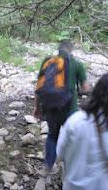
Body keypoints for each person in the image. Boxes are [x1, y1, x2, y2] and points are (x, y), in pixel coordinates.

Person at [33, 40, 89, 172]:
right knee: (73, 137)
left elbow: (39, 87)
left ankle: (49, 165)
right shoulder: (77, 64)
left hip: (50, 107)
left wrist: (36, 107)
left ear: (58, 49)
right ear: (71, 50)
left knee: (52, 135)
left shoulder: (48, 62)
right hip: (70, 109)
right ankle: (71, 167)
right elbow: (85, 88)